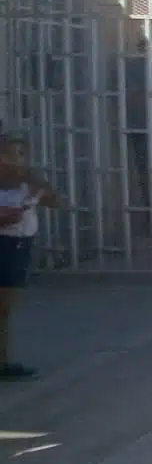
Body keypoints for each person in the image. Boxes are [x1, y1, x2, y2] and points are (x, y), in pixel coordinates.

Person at [0, 135, 61, 382]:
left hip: (19, 246)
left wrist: (36, 183)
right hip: (5, 244)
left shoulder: (26, 182)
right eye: (16, 153)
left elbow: (57, 201)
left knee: (5, 309)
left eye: (23, 154)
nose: (21, 160)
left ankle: (3, 360)